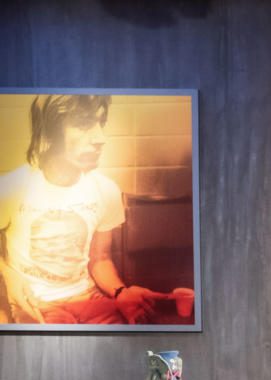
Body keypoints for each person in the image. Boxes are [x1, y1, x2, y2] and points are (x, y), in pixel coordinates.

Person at [0, 94, 167, 324]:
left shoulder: (105, 190)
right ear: (49, 131)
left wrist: (121, 292)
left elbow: (101, 259)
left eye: (101, 123)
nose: (100, 138)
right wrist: (8, 276)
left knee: (129, 337)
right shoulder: (11, 187)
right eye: (83, 123)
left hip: (87, 297)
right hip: (34, 301)